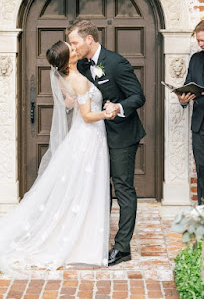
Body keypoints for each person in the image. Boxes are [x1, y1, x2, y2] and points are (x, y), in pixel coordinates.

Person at [0, 41, 112, 274]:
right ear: (68, 59)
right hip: (88, 138)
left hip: (85, 138)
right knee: (85, 187)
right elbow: (88, 115)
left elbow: (69, 102)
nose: (75, 49)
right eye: (71, 49)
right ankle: (82, 243)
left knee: (84, 188)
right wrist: (107, 112)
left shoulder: (69, 78)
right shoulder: (79, 81)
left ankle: (83, 238)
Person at [66, 19, 146, 266]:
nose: (73, 46)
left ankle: (122, 248)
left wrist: (120, 106)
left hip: (122, 136)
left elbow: (138, 96)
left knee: (123, 189)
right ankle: (96, 240)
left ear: (89, 39)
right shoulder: (80, 64)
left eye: (75, 42)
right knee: (98, 188)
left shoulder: (115, 62)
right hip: (95, 137)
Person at [176, 20, 204, 204]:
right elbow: (189, 85)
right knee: (202, 173)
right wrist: (183, 99)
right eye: (198, 41)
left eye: (203, 40)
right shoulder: (196, 59)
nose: (200, 44)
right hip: (200, 126)